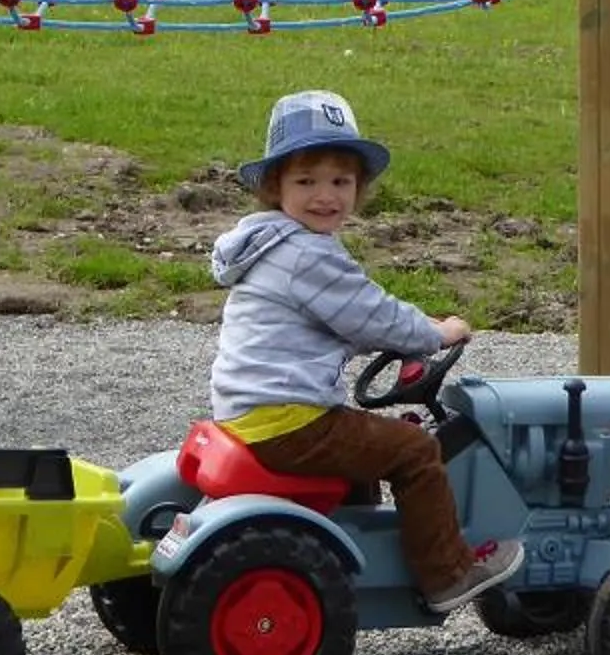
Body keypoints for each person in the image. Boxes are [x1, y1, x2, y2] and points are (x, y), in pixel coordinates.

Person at [206, 88, 526, 615]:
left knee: (362, 456)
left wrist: (416, 326)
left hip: (255, 411)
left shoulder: (269, 244)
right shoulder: (306, 253)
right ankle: (447, 573)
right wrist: (437, 333)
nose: (325, 195)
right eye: (306, 181)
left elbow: (351, 317)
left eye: (340, 181)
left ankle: (351, 562)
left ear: (359, 187)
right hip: (288, 419)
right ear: (275, 187)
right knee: (415, 451)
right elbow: (372, 315)